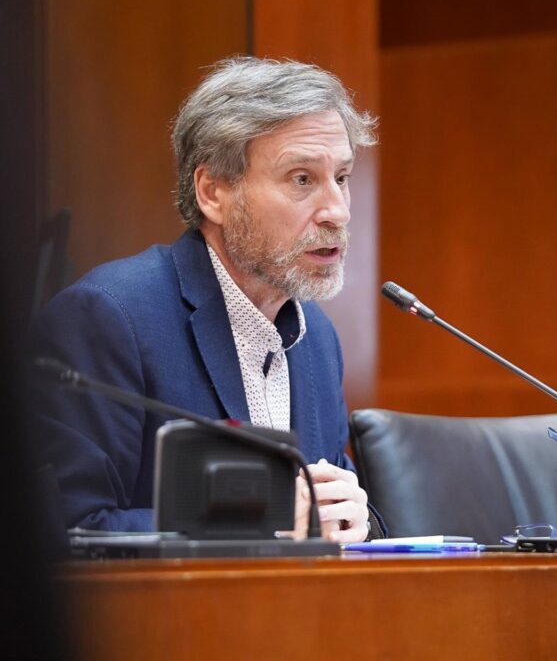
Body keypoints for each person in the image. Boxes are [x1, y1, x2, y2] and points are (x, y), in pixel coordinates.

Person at [30, 56, 385, 543]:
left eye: (341, 178)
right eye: (302, 179)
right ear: (213, 193)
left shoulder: (317, 337)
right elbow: (67, 530)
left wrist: (356, 520)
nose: (337, 211)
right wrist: (264, 523)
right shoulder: (109, 318)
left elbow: (320, 516)